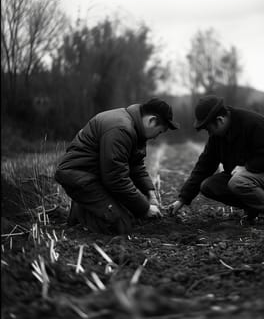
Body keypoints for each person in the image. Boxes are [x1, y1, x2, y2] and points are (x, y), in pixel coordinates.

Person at [55, 98, 179, 234]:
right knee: (121, 226)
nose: (156, 137)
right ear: (152, 120)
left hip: (95, 176)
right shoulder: (121, 129)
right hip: (79, 176)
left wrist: (150, 193)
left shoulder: (136, 130)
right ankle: (82, 218)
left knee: (132, 214)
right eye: (160, 131)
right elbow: (116, 179)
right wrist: (145, 208)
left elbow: (136, 165)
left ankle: (86, 208)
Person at [169, 95, 264, 223]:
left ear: (220, 120)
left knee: (238, 182)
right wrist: (182, 199)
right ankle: (255, 207)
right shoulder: (217, 137)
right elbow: (204, 166)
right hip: (246, 177)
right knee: (208, 186)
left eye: (208, 128)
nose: (209, 133)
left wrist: (248, 167)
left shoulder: (254, 123)